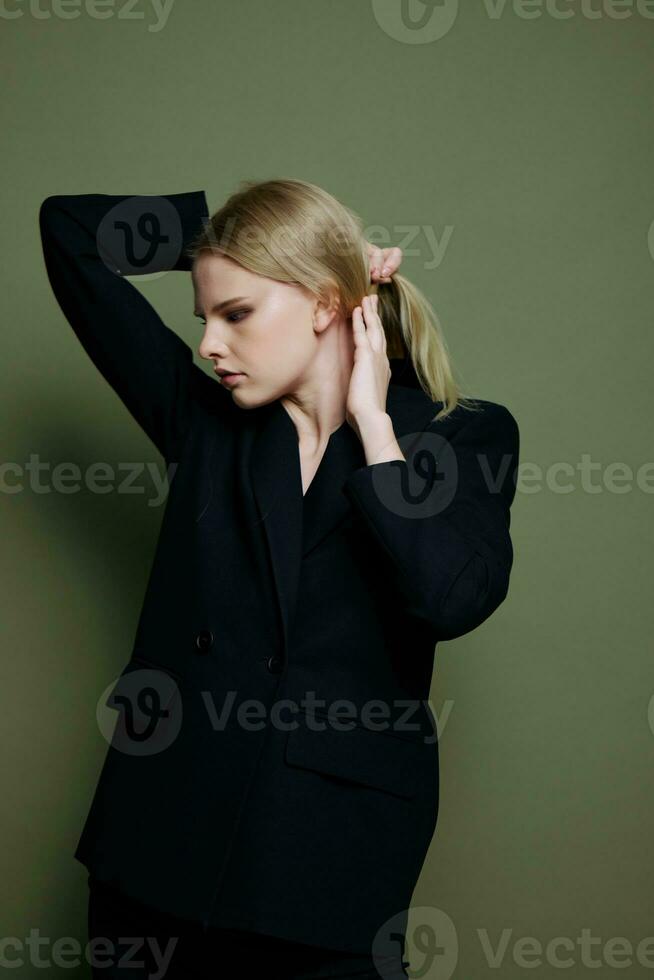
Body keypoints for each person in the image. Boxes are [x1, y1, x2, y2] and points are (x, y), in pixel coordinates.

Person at [39, 178, 520, 979]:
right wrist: (224, 234)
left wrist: (373, 427)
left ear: (325, 304)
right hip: (156, 853)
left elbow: (450, 598)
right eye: (205, 318)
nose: (208, 346)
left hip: (323, 874)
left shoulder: (459, 435)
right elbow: (70, 234)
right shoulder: (208, 428)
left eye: (237, 314)